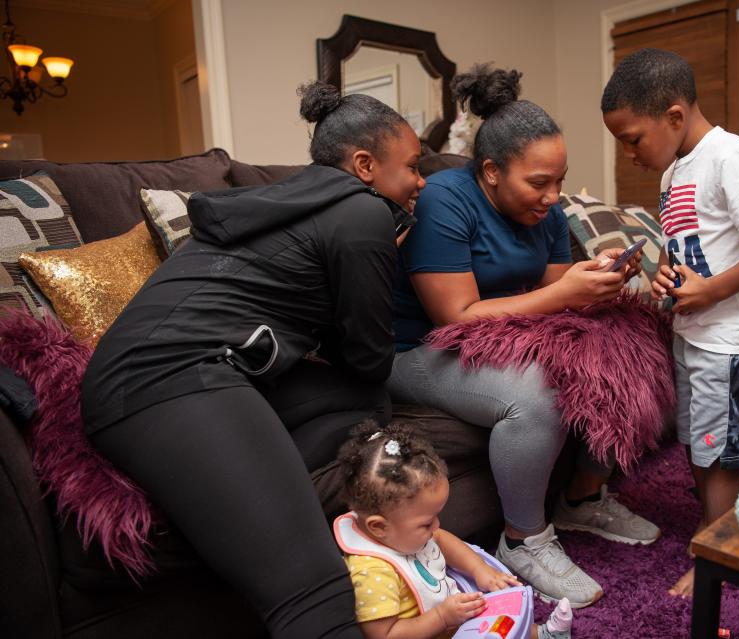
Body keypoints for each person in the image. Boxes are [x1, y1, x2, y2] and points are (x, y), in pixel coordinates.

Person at [80, 81, 426, 639]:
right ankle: (262, 516)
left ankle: (250, 482)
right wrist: (378, 259)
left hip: (169, 369)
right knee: (319, 597)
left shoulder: (294, 199)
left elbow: (360, 379)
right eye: (411, 166)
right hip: (160, 379)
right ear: (364, 164)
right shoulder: (364, 215)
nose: (419, 181)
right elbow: (368, 355)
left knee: (365, 402)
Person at [388, 64, 662, 610]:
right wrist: (565, 295)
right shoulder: (445, 200)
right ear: (491, 171)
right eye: (539, 182)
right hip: (419, 349)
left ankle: (582, 498)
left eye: (560, 180)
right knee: (536, 395)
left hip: (502, 334)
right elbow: (456, 316)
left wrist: (601, 276)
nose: (553, 195)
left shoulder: (548, 212)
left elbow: (553, 284)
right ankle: (522, 541)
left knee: (630, 342)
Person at [601, 49, 739, 597]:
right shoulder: (676, 170)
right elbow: (692, 243)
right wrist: (669, 270)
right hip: (696, 334)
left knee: (719, 456)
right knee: (699, 443)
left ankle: (726, 555)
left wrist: (712, 289)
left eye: (632, 138)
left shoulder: (730, 158)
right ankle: (715, 526)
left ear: (673, 116)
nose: (627, 153)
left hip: (734, 341)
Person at [334, 420, 574, 639]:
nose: (437, 526)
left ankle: (542, 634)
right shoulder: (371, 571)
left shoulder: (400, 532)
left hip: (452, 615)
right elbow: (384, 636)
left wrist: (479, 569)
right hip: (429, 629)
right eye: (427, 523)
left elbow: (440, 539)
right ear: (379, 527)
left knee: (504, 625)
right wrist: (441, 617)